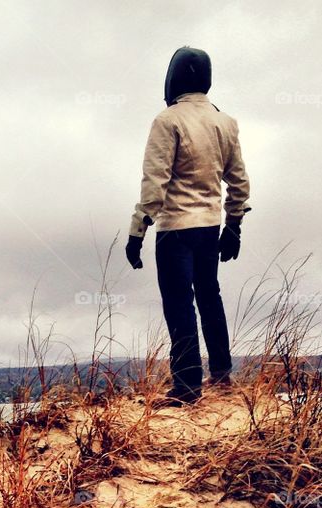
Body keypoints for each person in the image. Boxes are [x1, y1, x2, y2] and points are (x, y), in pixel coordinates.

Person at [126, 47, 251, 406]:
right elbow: (239, 181)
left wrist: (137, 231)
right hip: (210, 226)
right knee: (210, 296)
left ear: (173, 77)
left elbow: (155, 182)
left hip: (175, 228)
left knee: (180, 303)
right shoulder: (225, 122)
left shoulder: (167, 121)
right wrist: (234, 225)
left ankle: (187, 385)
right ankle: (222, 374)